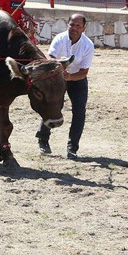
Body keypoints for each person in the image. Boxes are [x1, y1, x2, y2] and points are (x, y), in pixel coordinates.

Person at [35, 14, 93, 160]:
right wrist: (60, 72)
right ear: (68, 25)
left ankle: (72, 147)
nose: (74, 28)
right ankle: (43, 139)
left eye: (78, 26)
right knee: (54, 106)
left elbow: (84, 73)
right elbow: (50, 59)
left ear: (84, 28)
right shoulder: (60, 38)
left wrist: (70, 77)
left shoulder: (88, 45)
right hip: (57, 78)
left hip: (77, 79)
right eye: (72, 24)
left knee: (79, 112)